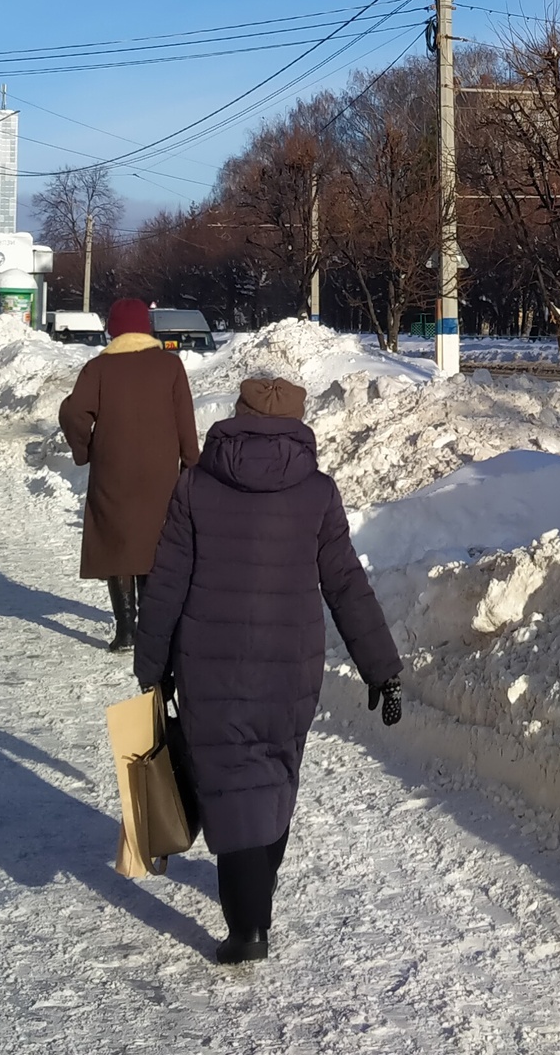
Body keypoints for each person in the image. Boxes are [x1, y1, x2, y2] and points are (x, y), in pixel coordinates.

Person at [132, 373, 402, 965]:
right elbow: (346, 585)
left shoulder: (196, 485)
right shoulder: (318, 493)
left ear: (235, 417)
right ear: (300, 427)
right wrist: (382, 669)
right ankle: (258, 896)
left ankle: (248, 927)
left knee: (231, 783)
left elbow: (167, 581)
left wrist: (150, 665)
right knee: (273, 776)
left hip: (209, 669)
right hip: (290, 673)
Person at [58, 298, 199, 652]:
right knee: (153, 547)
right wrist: (191, 465)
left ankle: (126, 631)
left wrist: (84, 450)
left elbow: (74, 413)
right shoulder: (171, 367)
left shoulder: (98, 369)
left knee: (117, 547)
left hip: (113, 473)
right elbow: (185, 422)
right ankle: (152, 631)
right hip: (160, 476)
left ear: (114, 330)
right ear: (146, 328)